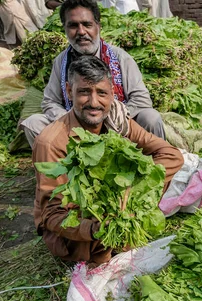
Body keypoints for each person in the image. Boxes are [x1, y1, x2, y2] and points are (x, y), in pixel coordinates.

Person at [33, 56, 184, 265]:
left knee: (156, 174)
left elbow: (171, 155)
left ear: (112, 94)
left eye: (101, 93)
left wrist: (132, 189)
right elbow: (52, 215)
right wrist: (95, 227)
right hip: (78, 228)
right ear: (69, 91)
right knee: (96, 246)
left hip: (117, 209)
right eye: (84, 92)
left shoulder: (117, 121)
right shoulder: (51, 142)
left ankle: (122, 234)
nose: (94, 102)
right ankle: (106, 250)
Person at [22, 0, 165, 148]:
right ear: (64, 29)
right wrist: (73, 120)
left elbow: (141, 99)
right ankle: (65, 169)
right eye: (73, 26)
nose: (81, 32)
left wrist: (108, 117)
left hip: (118, 126)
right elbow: (50, 101)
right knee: (34, 123)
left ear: (98, 26)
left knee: (150, 118)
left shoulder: (120, 57)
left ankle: (156, 165)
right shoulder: (61, 61)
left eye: (87, 24)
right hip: (76, 130)